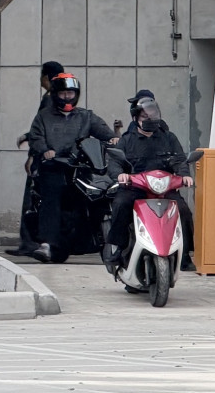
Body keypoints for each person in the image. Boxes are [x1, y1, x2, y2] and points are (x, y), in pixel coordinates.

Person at [25, 73, 117, 264]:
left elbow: (103, 132)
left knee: (98, 193)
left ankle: (103, 239)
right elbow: (35, 137)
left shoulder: (86, 116)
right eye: (63, 93)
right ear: (55, 94)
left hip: (80, 167)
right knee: (52, 197)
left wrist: (113, 139)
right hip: (54, 167)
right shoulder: (43, 117)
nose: (67, 97)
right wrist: (45, 150)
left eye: (70, 93)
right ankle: (47, 244)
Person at [103, 98, 196, 274]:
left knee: (183, 210)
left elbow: (179, 159)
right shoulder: (127, 140)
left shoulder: (168, 138)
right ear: (135, 118)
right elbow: (115, 162)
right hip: (135, 188)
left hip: (164, 188)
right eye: (144, 116)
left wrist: (184, 175)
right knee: (121, 204)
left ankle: (185, 254)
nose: (149, 119)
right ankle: (118, 247)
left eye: (152, 115)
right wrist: (120, 175)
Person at [7, 61, 65, 257]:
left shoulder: (50, 100)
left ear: (47, 78)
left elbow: (42, 131)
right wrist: (27, 135)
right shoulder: (61, 99)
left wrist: (32, 155)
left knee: (31, 199)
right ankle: (36, 242)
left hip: (43, 157)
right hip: (54, 157)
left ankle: (30, 242)